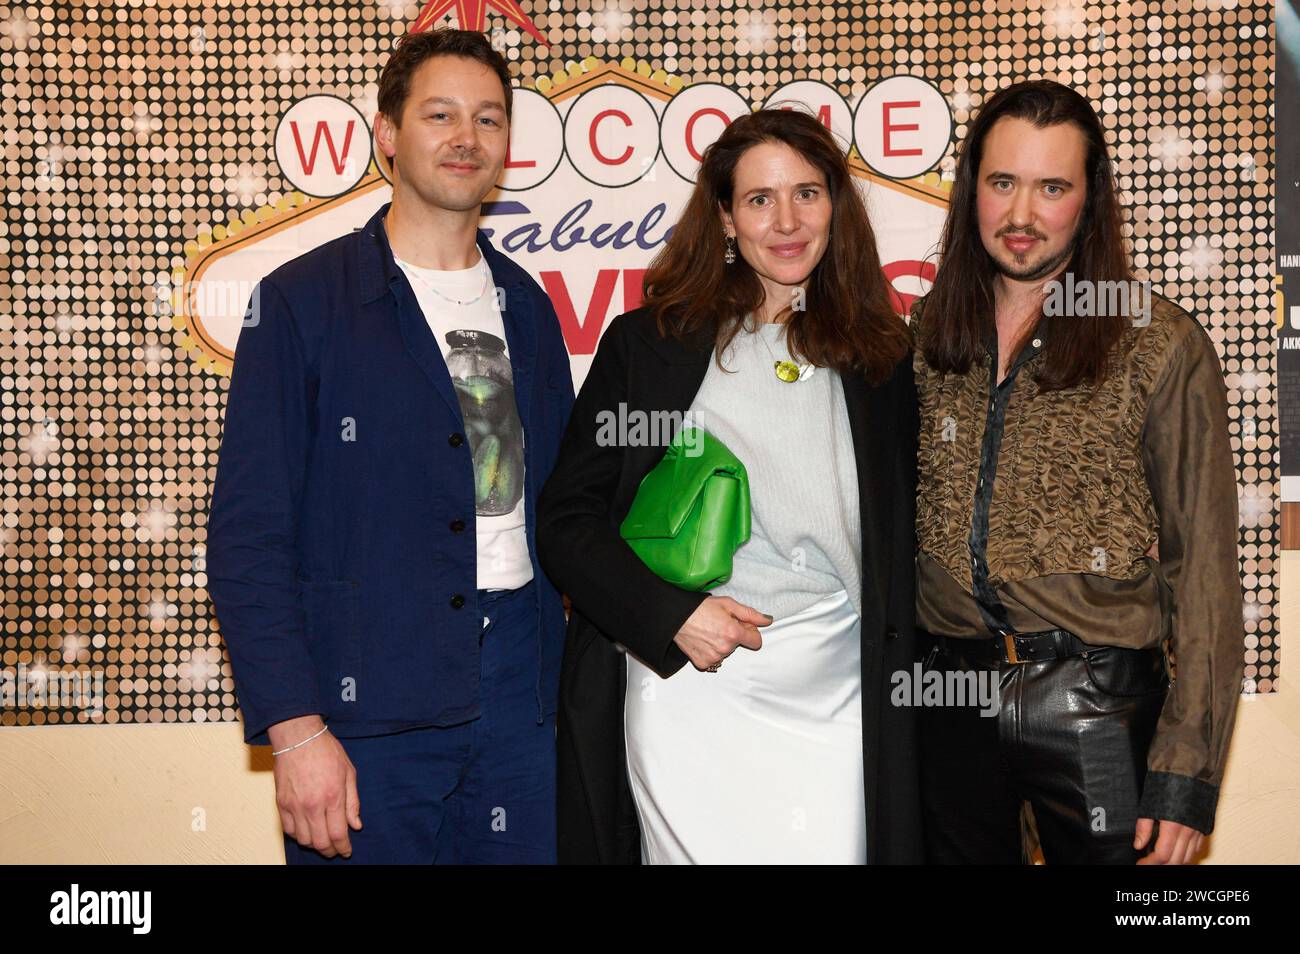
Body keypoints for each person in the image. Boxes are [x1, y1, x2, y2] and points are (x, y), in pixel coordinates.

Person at [205, 28, 575, 864]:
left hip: (523, 699)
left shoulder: (528, 304)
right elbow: (248, 537)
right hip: (365, 707)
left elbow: (569, 505)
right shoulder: (300, 303)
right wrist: (296, 735)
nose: (465, 138)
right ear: (386, 135)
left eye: (488, 119)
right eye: (439, 114)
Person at [537, 108, 922, 864]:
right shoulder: (652, 347)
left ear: (836, 208)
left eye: (807, 194)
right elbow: (566, 521)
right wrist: (670, 614)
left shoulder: (881, 358)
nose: (786, 221)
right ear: (723, 217)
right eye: (758, 199)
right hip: (690, 687)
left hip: (840, 691)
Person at [910, 79, 1245, 864]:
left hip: (1096, 706)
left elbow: (1204, 574)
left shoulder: (1155, 343)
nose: (1022, 214)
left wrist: (1184, 775)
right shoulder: (926, 337)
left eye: (1051, 187)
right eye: (1002, 183)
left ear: (1089, 201)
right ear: (971, 193)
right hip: (947, 694)